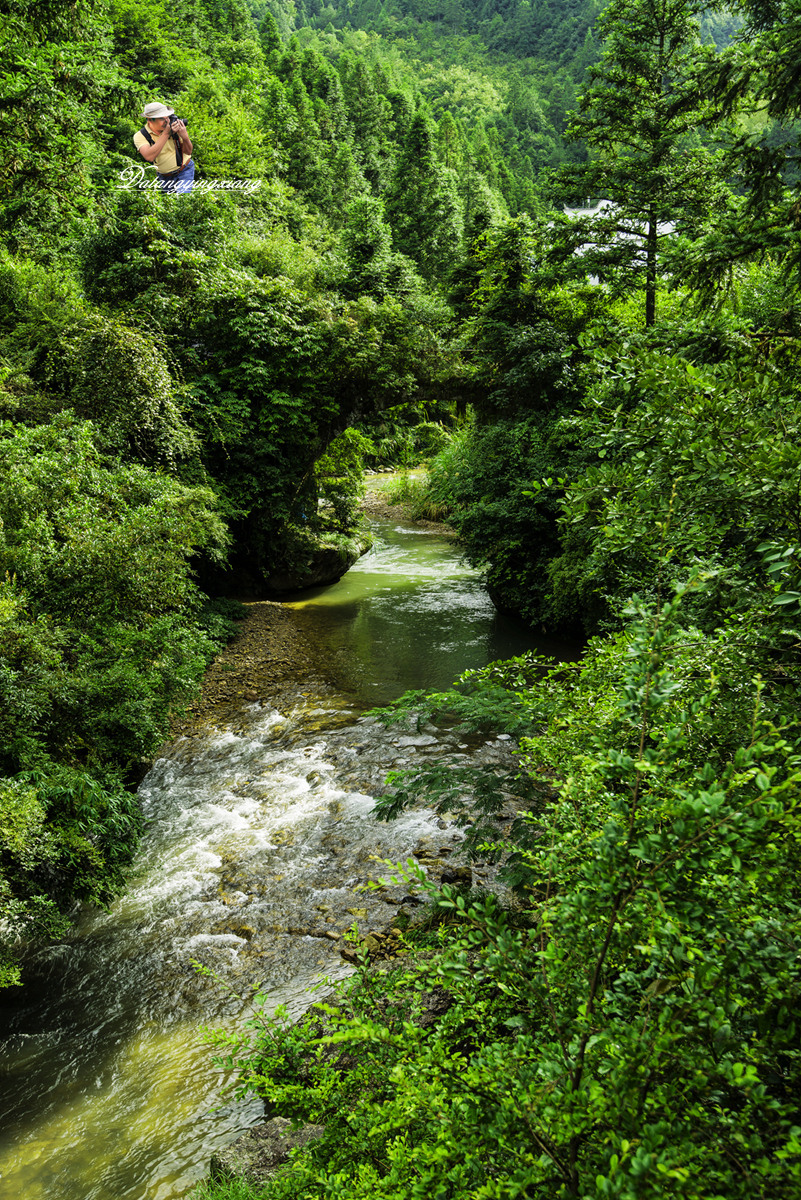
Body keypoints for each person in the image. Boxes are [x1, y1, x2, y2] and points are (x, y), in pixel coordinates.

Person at [133, 102, 195, 194]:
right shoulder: (141, 135)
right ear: (149, 120)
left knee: (182, 199)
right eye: (162, 118)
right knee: (170, 205)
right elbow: (149, 157)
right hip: (164, 177)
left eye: (167, 117)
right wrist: (166, 133)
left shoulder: (174, 126)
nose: (167, 121)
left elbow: (188, 152)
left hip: (184, 170)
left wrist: (185, 137)